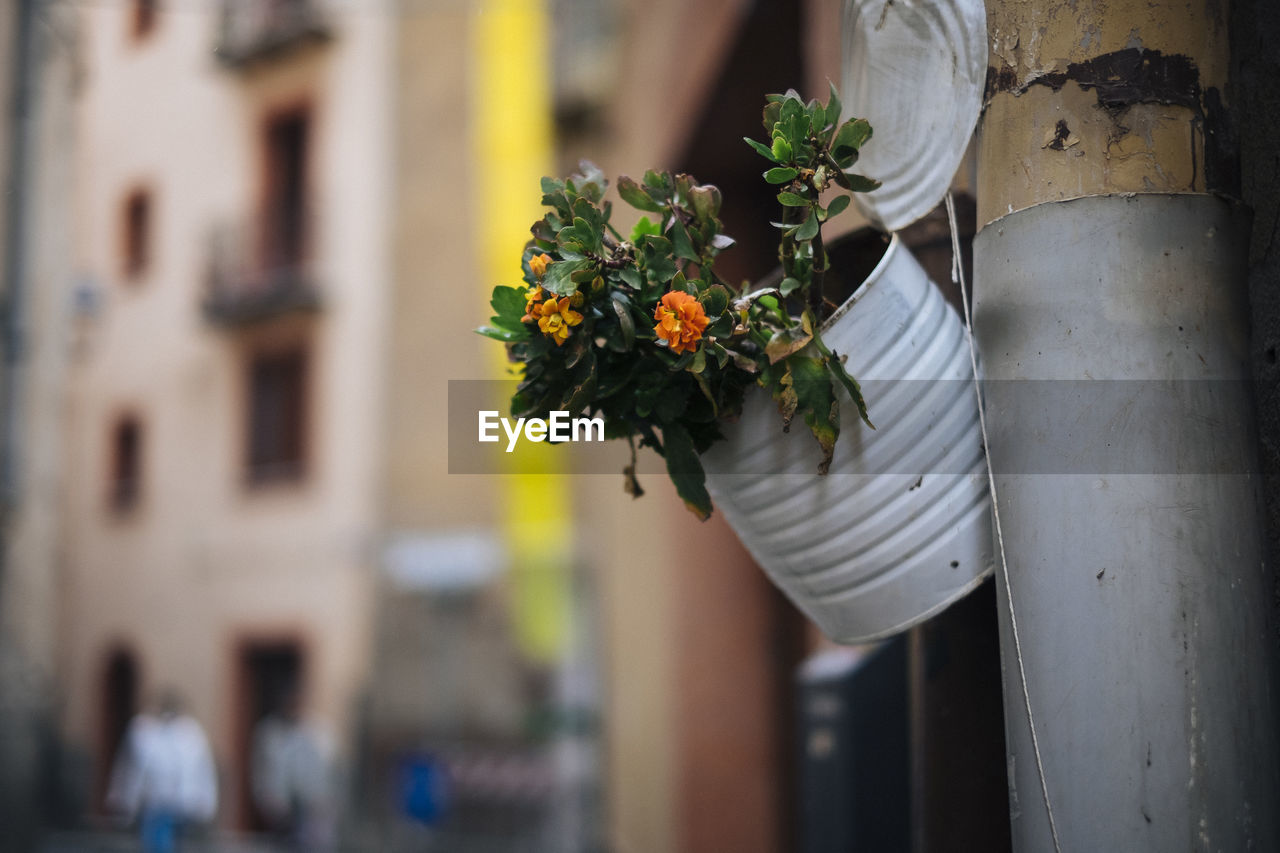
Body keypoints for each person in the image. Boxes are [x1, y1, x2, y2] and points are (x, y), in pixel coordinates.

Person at [106, 690, 218, 853]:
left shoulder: (191, 734)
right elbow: (129, 768)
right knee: (158, 842)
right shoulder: (144, 732)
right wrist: (123, 798)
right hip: (155, 803)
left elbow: (204, 770)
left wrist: (206, 802)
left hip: (183, 804)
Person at [251, 684, 337, 852]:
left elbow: (327, 767)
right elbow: (261, 768)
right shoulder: (269, 731)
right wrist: (264, 795)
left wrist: (325, 797)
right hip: (280, 801)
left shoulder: (316, 731)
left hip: (310, 801)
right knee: (282, 843)